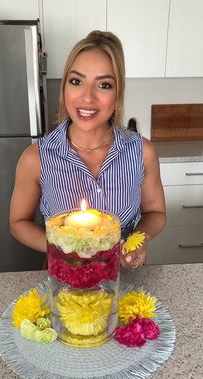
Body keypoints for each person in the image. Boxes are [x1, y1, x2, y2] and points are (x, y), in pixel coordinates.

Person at [9, 30, 166, 269]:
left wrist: (139, 240)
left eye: (104, 85)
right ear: (65, 88)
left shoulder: (141, 152)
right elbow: (18, 222)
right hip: (63, 282)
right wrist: (62, 248)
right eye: (76, 81)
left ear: (118, 93)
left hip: (123, 279)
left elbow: (155, 213)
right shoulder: (36, 157)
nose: (87, 97)